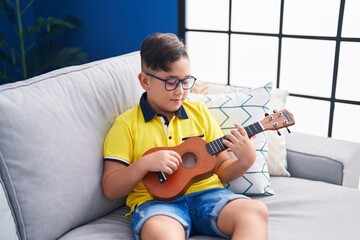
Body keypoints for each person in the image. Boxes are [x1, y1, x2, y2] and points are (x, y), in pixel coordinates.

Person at [102, 33, 268, 240]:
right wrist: (144, 164)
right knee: (160, 233)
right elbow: (110, 187)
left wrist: (246, 160)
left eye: (186, 81)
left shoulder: (199, 112)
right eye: (171, 82)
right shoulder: (126, 125)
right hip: (157, 205)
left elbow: (222, 170)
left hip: (210, 196)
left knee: (255, 211)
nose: (180, 91)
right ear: (145, 81)